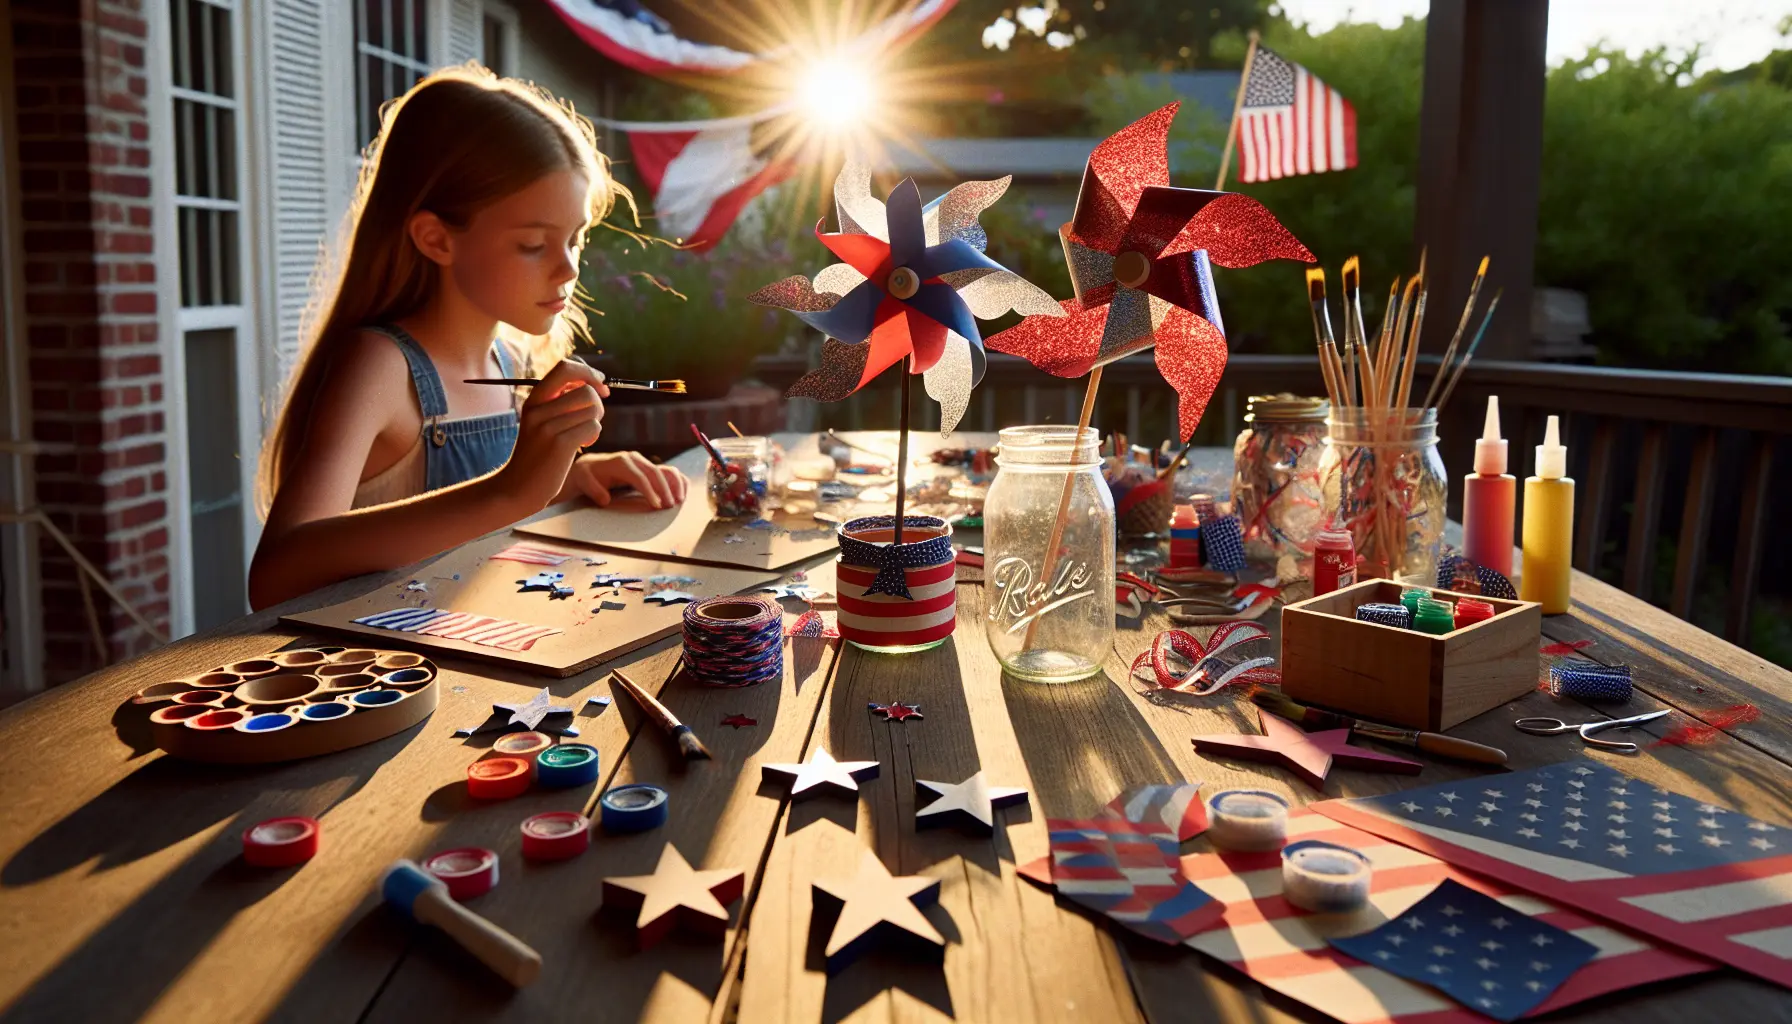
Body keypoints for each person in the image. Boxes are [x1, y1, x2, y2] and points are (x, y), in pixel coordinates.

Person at [248, 66, 685, 610]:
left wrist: (571, 479)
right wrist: (512, 491)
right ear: (435, 238)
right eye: (533, 244)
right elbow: (275, 574)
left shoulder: (511, 358)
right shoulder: (382, 366)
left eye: (576, 239)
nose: (568, 268)